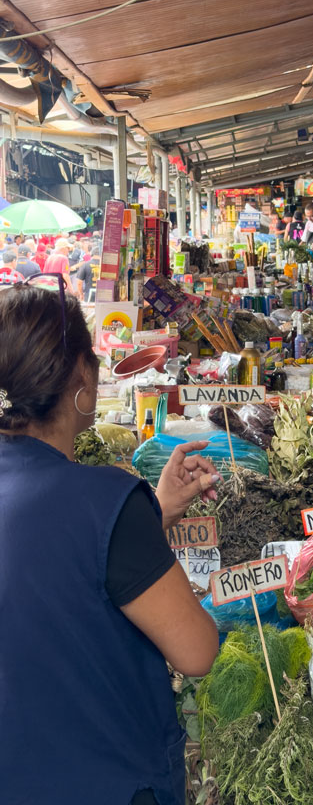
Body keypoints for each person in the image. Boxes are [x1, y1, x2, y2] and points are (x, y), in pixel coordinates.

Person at [0, 281, 220, 803]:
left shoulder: (108, 508)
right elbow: (196, 652)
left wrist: (155, 515)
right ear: (82, 374)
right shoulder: (105, 499)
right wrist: (137, 521)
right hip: (104, 777)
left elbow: (48, 577)